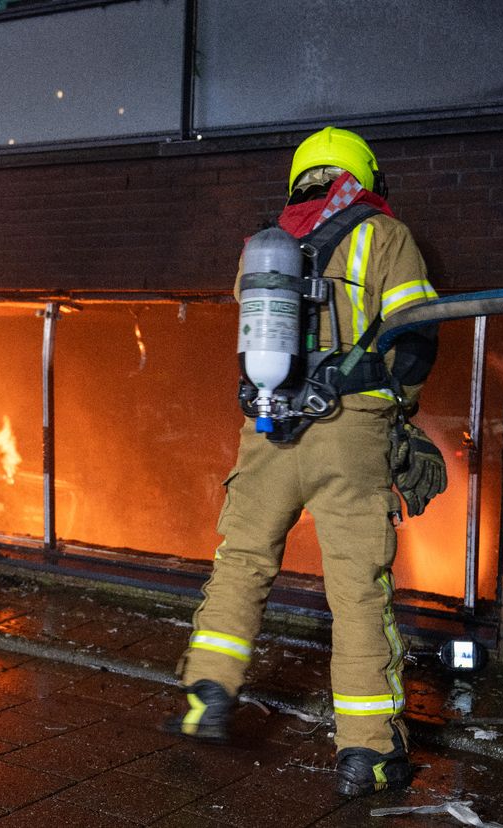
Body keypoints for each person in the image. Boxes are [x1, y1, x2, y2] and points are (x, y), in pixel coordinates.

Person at [165, 127, 446, 797]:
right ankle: (368, 753)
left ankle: (208, 692)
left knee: (241, 563)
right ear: (364, 176)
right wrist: (398, 409)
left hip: (268, 429)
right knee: (356, 592)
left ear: (300, 177)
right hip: (348, 434)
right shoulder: (386, 235)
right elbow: (415, 337)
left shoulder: (265, 247)